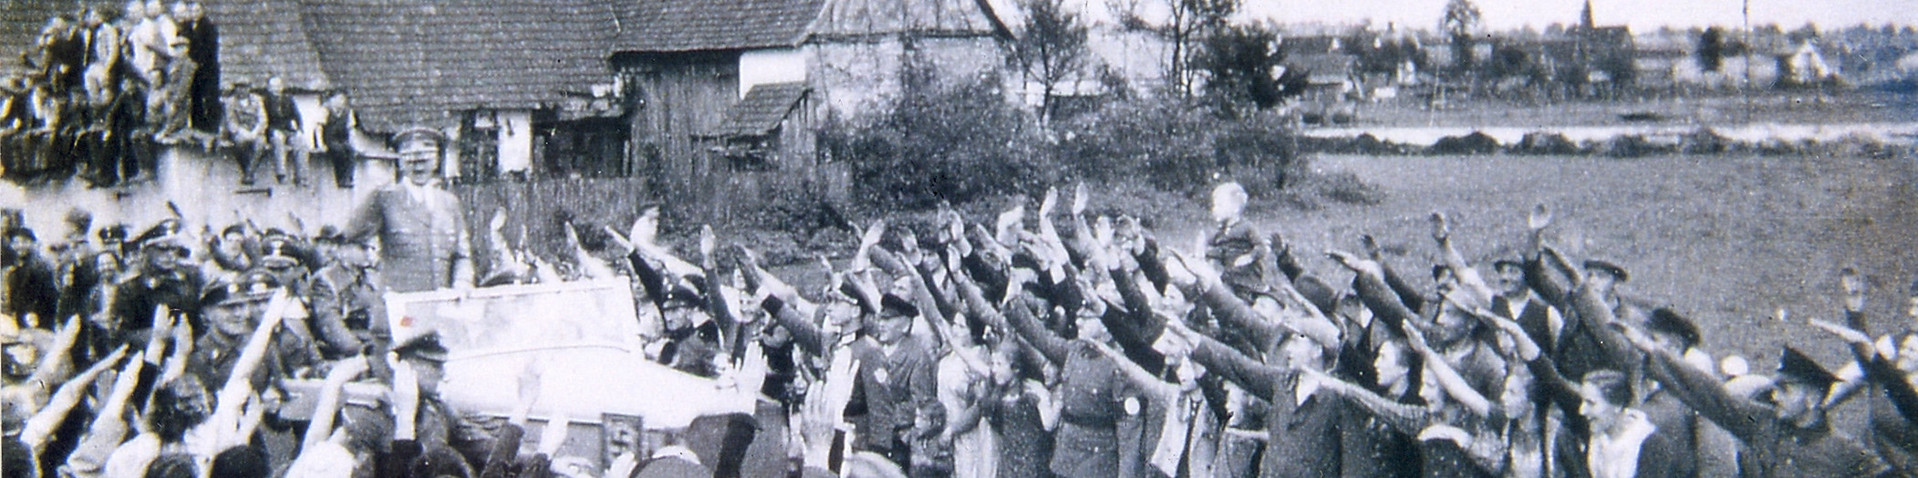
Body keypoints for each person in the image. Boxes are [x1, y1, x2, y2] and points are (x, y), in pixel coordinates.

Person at [345, 127, 473, 293]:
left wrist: (462, 283)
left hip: (440, 307)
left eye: (424, 161)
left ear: (436, 160)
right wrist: (373, 276)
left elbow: (463, 255)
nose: (418, 168)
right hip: (398, 306)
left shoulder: (449, 203)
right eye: (411, 162)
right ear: (401, 162)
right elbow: (350, 238)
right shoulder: (384, 198)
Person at [844, 294, 943, 476]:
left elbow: (921, 403)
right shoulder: (873, 350)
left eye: (889, 320)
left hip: (897, 440)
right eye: (881, 318)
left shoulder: (917, 357)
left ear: (905, 325)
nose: (882, 324)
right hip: (869, 435)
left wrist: (889, 416)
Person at [177, 1, 216, 133]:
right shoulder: (187, 27)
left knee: (208, 97)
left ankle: (210, 127)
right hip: (191, 68)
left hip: (206, 69)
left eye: (197, 10)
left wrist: (199, 62)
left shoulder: (208, 27)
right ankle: (195, 125)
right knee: (194, 96)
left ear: (203, 11)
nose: (194, 14)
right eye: (192, 11)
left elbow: (209, 49)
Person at [261, 77, 302, 185]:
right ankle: (281, 174)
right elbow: (264, 120)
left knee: (299, 142)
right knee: (278, 141)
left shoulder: (288, 99)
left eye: (278, 86)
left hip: (287, 129)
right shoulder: (265, 101)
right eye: (273, 86)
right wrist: (270, 131)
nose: (276, 89)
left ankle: (300, 176)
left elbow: (297, 115)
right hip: (273, 130)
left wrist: (299, 129)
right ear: (269, 88)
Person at [317, 92, 357, 188]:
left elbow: (351, 129)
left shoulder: (347, 112)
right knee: (338, 151)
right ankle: (340, 179)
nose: (341, 102)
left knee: (350, 151)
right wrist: (320, 144)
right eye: (338, 99)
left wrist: (353, 143)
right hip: (329, 139)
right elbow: (318, 128)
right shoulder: (325, 110)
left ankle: (349, 178)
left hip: (342, 138)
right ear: (332, 100)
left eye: (342, 100)